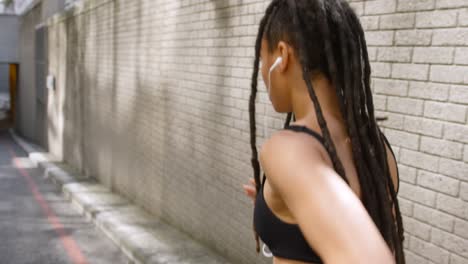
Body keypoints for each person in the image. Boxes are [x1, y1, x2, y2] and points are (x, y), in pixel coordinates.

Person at [241, 0, 405, 263]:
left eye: (263, 58)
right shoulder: (375, 147)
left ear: (282, 55)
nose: (261, 70)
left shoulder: (290, 148)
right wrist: (277, 210)